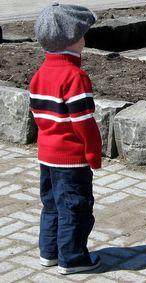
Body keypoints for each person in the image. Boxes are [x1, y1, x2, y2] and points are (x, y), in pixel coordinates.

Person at [29, 3, 102, 275]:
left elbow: (37, 115)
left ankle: (49, 252)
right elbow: (84, 123)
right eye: (82, 34)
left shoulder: (39, 75)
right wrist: (93, 154)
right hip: (71, 160)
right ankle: (72, 258)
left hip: (46, 156)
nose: (85, 39)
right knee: (75, 207)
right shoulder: (75, 77)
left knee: (52, 205)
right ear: (74, 41)